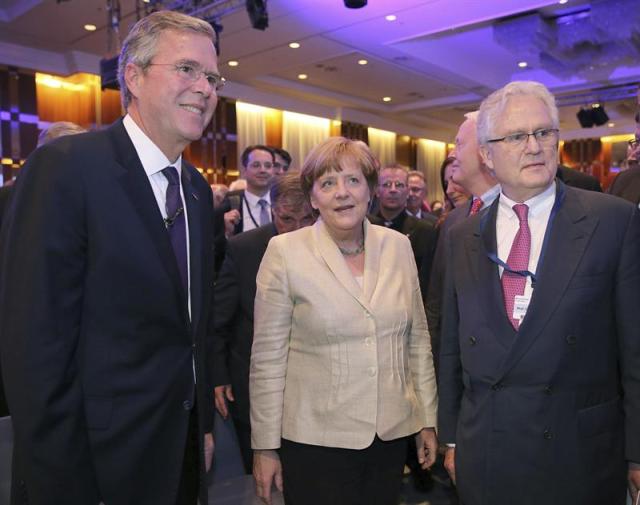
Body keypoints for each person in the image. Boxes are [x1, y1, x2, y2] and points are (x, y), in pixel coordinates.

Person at [0, 10, 221, 505]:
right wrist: (62, 479)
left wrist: (200, 427)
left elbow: (192, 329)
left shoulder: (198, 191)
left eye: (211, 76)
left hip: (179, 455)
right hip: (91, 465)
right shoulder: (67, 168)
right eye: (186, 69)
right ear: (134, 77)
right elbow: (34, 345)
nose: (205, 88)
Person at [438, 80, 640, 505]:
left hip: (579, 454)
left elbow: (636, 349)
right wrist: (452, 438)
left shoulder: (612, 221)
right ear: (487, 155)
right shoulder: (461, 233)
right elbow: (452, 349)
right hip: (489, 451)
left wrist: (638, 452)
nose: (534, 146)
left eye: (544, 132)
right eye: (516, 136)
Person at [250, 137, 438, 505]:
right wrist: (265, 447)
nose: (342, 193)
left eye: (353, 180)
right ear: (313, 197)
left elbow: (416, 340)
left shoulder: (398, 246)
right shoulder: (284, 253)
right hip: (314, 443)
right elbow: (267, 360)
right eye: (328, 183)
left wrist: (426, 419)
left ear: (370, 189)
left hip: (387, 437)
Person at [211, 172, 315, 474]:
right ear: (272, 211)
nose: (296, 229)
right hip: (254, 390)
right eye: (287, 219)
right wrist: (218, 375)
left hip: (313, 393)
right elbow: (219, 321)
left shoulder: (333, 248)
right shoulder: (244, 249)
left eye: (307, 218)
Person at [370, 163, 438, 305]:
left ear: (407, 191)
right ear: (377, 190)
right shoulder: (365, 227)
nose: (393, 190)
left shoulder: (424, 231)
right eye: (387, 184)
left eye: (399, 185)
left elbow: (428, 282)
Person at [221, 145, 276, 236]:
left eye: (268, 166)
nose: (263, 170)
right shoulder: (231, 203)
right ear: (244, 170)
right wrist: (226, 232)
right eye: (256, 165)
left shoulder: (281, 202)